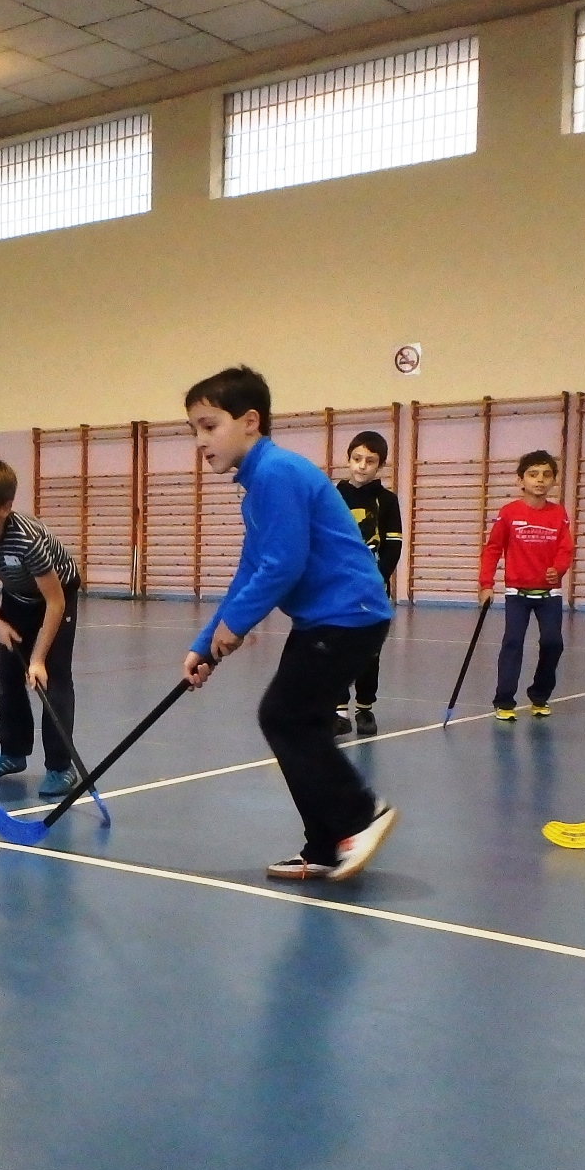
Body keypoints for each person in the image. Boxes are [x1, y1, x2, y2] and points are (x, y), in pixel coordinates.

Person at [179, 367, 396, 881]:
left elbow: (283, 564)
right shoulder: (258, 485)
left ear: (250, 421)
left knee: (283, 715)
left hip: (347, 615)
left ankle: (360, 815)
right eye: (194, 430)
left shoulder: (276, 473)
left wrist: (235, 625)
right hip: (330, 617)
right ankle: (324, 846)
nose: (200, 441)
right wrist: (206, 642)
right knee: (301, 721)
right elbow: (251, 568)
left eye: (209, 426)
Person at [0, 458, 83, 801]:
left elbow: (55, 602)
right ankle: (12, 753)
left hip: (56, 597)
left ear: (6, 508)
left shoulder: (27, 540)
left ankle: (61, 766)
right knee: (8, 681)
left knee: (52, 681)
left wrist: (38, 658)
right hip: (15, 595)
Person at [479, 451, 575, 721]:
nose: (540, 480)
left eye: (546, 475)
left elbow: (566, 548)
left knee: (553, 642)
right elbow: (492, 549)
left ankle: (540, 694)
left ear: (554, 480)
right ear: (520, 480)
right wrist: (486, 584)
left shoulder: (558, 514)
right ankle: (504, 700)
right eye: (533, 474)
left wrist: (559, 569)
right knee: (513, 643)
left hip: (549, 594)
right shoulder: (509, 513)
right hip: (517, 594)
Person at [332, 431, 403, 736]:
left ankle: (365, 709)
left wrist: (378, 577)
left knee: (368, 651)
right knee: (336, 649)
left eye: (370, 461)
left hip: (372, 590)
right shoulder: (332, 496)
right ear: (348, 460)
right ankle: (338, 710)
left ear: (380, 465)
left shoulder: (387, 501)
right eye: (356, 459)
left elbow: (393, 544)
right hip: (336, 589)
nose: (362, 466)